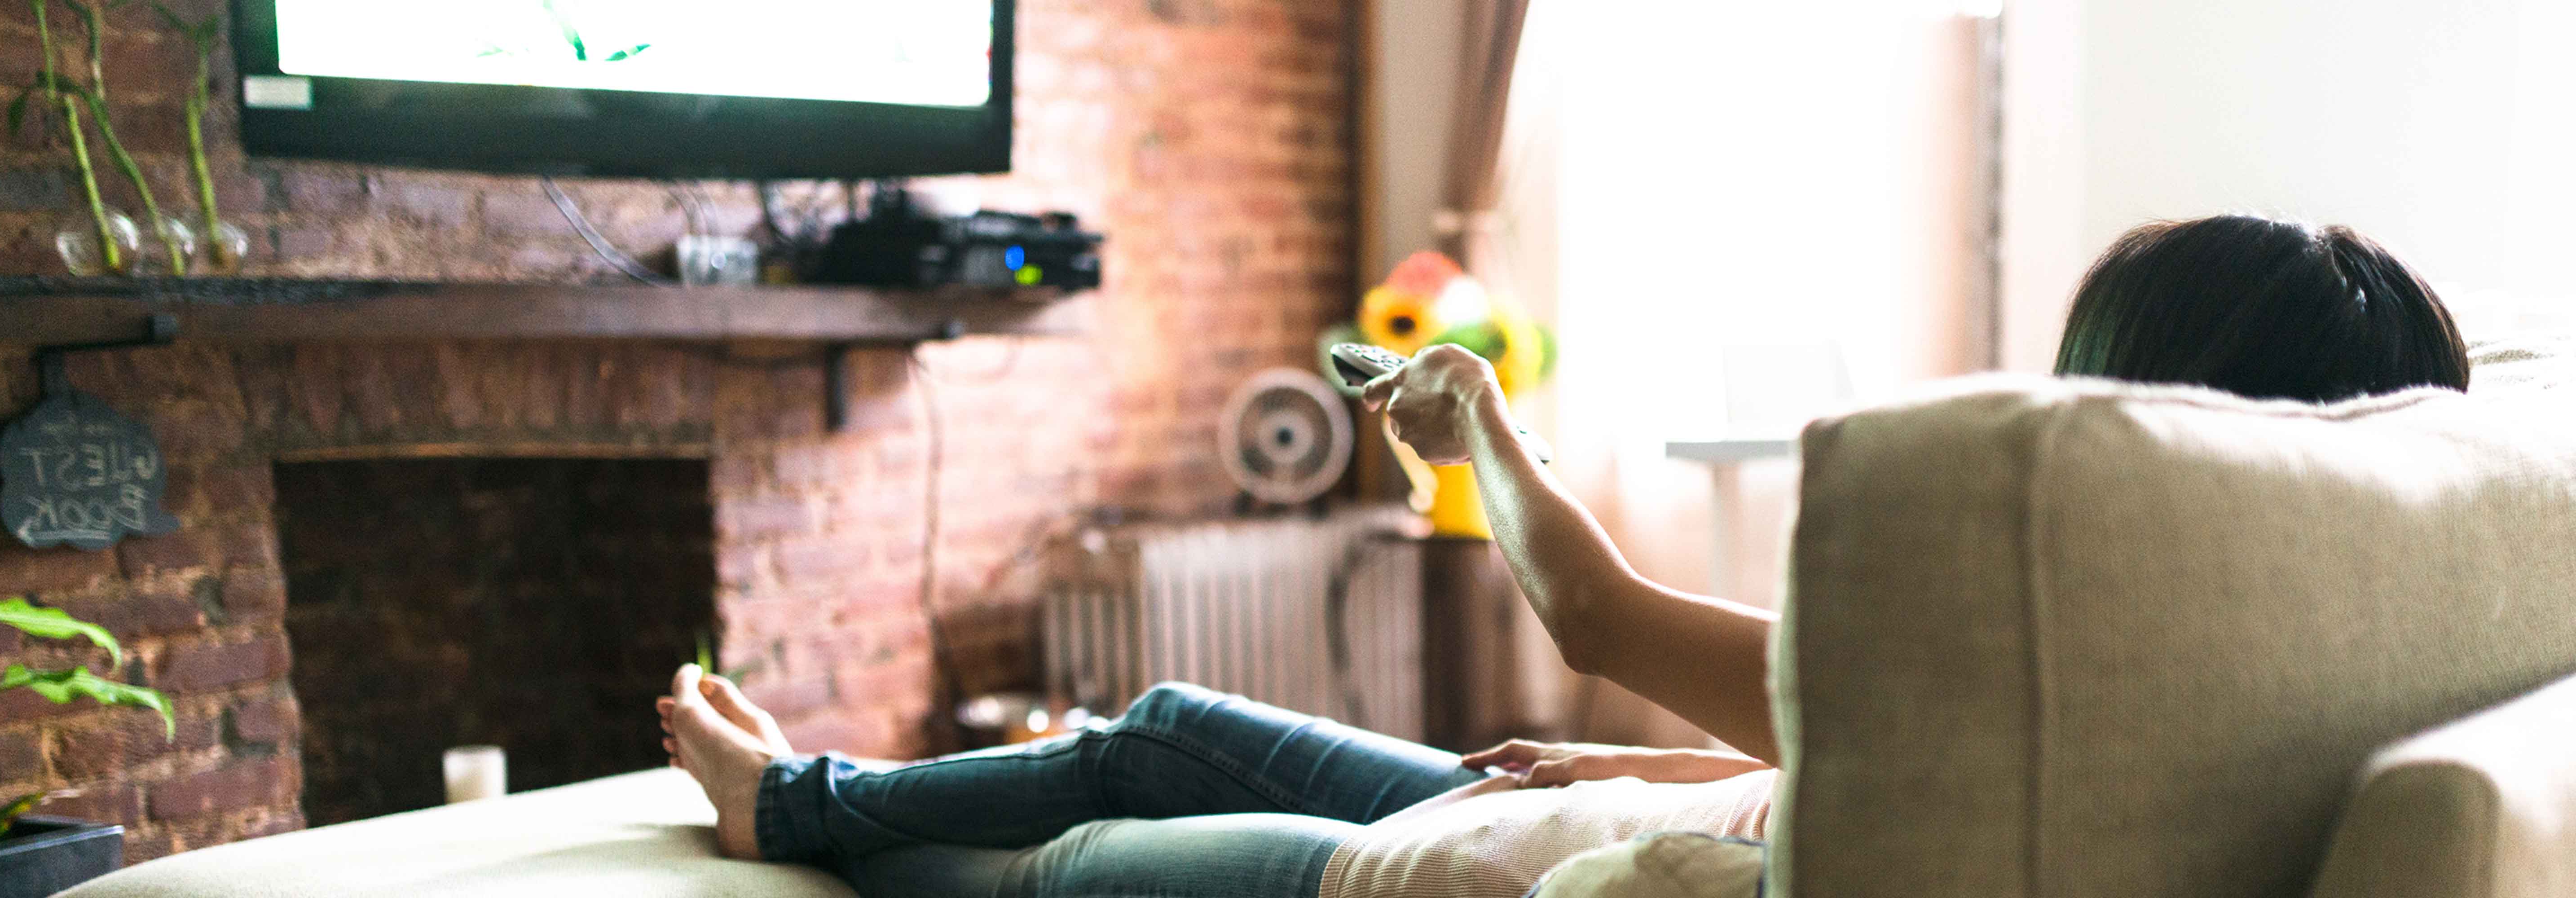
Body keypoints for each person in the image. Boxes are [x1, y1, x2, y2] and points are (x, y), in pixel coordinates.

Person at [658, 215, 2471, 898]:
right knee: (1160, 717)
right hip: (1621, 815)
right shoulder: (2295, 680)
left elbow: (1590, 605)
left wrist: (1470, 419)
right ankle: (810, 792)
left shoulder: (2036, 639)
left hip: (1525, 882)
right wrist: (1675, 762)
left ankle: (791, 814)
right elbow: (1910, 813)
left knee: (1056, 861)